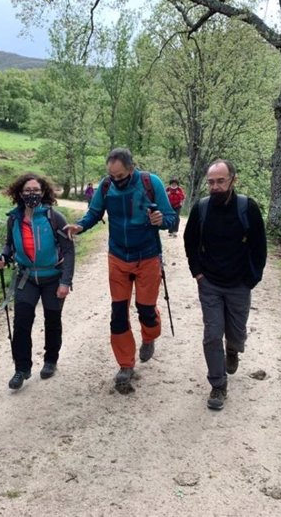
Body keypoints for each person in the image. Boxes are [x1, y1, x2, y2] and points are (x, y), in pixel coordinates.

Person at [65, 148, 177, 393]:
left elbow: (171, 218)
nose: (115, 180)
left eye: (119, 175)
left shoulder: (150, 182)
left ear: (131, 168)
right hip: (118, 256)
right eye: (111, 176)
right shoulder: (106, 187)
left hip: (147, 256)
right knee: (118, 314)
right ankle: (125, 366)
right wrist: (80, 226)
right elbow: (95, 213)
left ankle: (149, 336)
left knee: (146, 311)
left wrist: (161, 221)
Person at [183, 159, 267, 411]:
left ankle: (233, 349)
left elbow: (259, 246)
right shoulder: (202, 208)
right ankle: (218, 384)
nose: (215, 186)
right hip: (209, 282)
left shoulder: (247, 208)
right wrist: (197, 272)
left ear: (233, 180)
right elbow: (190, 241)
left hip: (239, 284)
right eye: (211, 182)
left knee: (236, 332)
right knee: (211, 334)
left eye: (221, 181)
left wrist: (252, 278)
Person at [0, 173, 74, 390]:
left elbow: (68, 249)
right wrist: (3, 256)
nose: (32, 194)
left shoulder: (55, 218)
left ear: (44, 192)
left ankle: (50, 360)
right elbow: (9, 245)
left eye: (36, 191)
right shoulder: (14, 219)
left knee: (52, 320)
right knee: (21, 324)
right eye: (27, 191)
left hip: (52, 277)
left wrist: (66, 281)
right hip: (26, 278)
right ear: (19, 193)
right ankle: (21, 368)